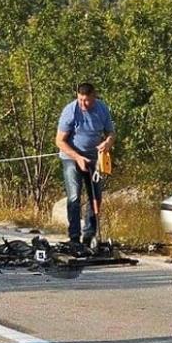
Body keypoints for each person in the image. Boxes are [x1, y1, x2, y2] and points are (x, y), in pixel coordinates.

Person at [55, 82, 115, 246]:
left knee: (95, 196)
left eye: (86, 100)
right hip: (71, 156)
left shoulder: (102, 109)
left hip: (94, 158)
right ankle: (74, 236)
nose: (83, 103)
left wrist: (108, 143)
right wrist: (78, 158)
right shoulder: (70, 111)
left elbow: (110, 132)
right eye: (80, 99)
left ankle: (89, 235)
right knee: (74, 196)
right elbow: (60, 141)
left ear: (94, 97)